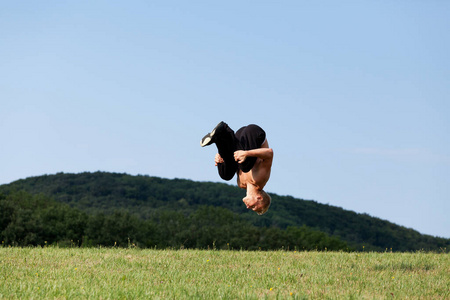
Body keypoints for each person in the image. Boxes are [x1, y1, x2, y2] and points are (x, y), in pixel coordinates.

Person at [200, 121, 273, 215]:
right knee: (245, 166)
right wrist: (247, 153)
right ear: (259, 198)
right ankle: (225, 130)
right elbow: (269, 153)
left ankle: (220, 136)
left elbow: (232, 162)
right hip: (254, 133)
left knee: (226, 175)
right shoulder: (260, 179)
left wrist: (220, 158)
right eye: (253, 207)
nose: (248, 207)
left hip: (239, 139)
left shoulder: (241, 184)